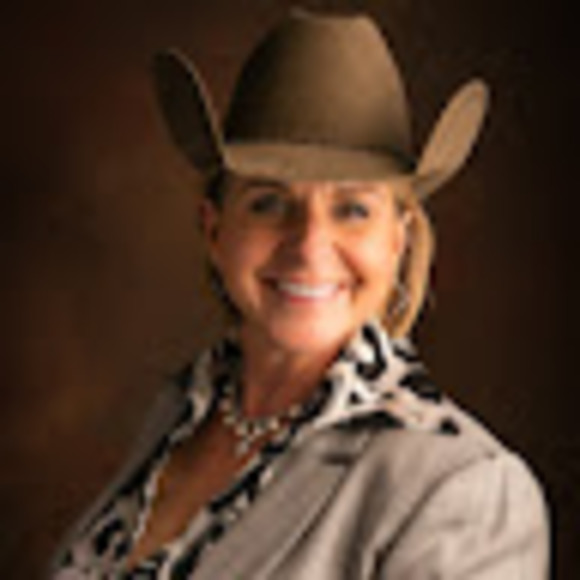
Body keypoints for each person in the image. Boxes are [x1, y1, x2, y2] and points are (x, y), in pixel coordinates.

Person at [50, 10, 549, 579]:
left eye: (353, 209)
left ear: (397, 240)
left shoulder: (464, 488)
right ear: (215, 229)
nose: (309, 245)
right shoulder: (177, 416)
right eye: (268, 203)